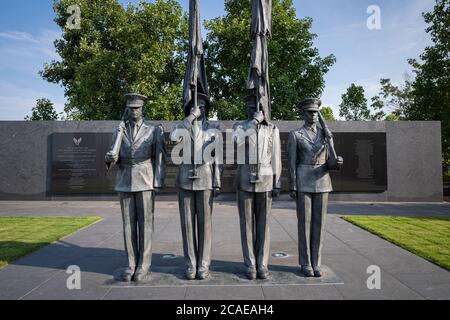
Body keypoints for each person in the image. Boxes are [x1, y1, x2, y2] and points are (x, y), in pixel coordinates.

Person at [105, 93, 166, 282]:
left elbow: (159, 157)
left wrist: (158, 181)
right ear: (127, 109)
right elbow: (113, 157)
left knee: (146, 224)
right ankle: (131, 264)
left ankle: (143, 265)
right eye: (131, 108)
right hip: (124, 179)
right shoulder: (119, 130)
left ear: (142, 109)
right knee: (128, 225)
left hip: (145, 178)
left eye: (137, 108)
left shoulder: (153, 130)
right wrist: (109, 160)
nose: (134, 111)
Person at [287, 98, 343, 277]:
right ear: (304, 113)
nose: (313, 115)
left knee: (319, 224)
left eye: (315, 112)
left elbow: (330, 163)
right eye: (310, 112)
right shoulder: (296, 135)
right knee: (305, 225)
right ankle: (305, 264)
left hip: (322, 180)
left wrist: (337, 162)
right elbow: (291, 163)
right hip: (304, 180)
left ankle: (316, 262)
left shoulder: (326, 135)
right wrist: (293, 185)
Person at [170, 93, 222, 280]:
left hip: (205, 176)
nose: (198, 108)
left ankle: (203, 264)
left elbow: (218, 158)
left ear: (206, 108)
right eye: (194, 105)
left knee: (205, 225)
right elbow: (173, 138)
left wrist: (217, 181)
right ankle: (190, 263)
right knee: (187, 224)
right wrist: (190, 117)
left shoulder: (214, 129)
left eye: (201, 105)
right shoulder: (182, 125)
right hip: (185, 177)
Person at [233, 95, 282, 280]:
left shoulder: (272, 129)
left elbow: (276, 157)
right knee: (246, 225)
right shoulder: (240, 127)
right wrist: (253, 122)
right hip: (245, 179)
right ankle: (250, 264)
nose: (252, 108)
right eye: (249, 106)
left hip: (266, 180)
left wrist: (277, 183)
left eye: (256, 106)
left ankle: (262, 263)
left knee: (264, 225)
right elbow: (236, 141)